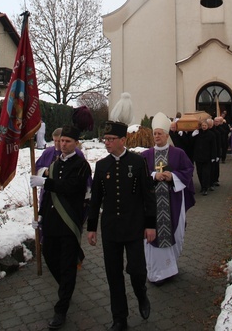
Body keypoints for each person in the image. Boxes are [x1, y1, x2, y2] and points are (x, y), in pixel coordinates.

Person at [87, 120, 157, 331]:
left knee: (136, 270)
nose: (107, 143)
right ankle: (120, 318)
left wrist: (150, 224)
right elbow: (96, 199)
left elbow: (148, 196)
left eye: (111, 139)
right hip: (110, 228)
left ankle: (141, 294)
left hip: (134, 226)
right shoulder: (101, 165)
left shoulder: (137, 162)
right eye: (105, 140)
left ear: (123, 140)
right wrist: (91, 228)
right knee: (113, 274)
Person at [30, 125, 91, 330]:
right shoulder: (55, 164)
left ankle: (61, 308)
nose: (62, 144)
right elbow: (48, 197)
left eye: (67, 141)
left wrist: (46, 182)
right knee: (49, 257)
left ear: (76, 143)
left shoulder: (82, 165)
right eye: (61, 141)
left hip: (69, 222)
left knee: (67, 266)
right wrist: (39, 216)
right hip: (51, 221)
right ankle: (66, 288)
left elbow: (70, 188)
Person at [141, 112, 195, 285]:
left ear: (166, 135)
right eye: (154, 133)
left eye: (160, 133)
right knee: (152, 235)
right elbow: (140, 176)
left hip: (173, 202)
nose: (157, 136)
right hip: (151, 205)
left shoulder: (178, 153)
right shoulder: (145, 155)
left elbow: (188, 171)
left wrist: (172, 176)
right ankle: (155, 273)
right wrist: (153, 175)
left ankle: (170, 268)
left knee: (174, 233)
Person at [192, 119, 217, 195]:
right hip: (198, 157)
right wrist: (193, 135)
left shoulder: (211, 135)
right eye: (202, 125)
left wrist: (214, 156)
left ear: (208, 126)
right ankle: (202, 186)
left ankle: (205, 188)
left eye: (205, 125)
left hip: (207, 157)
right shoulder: (198, 134)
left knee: (206, 173)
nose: (204, 127)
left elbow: (213, 146)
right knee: (199, 173)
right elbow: (192, 143)